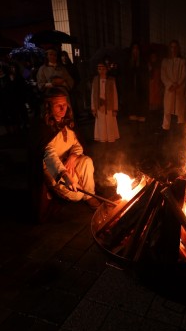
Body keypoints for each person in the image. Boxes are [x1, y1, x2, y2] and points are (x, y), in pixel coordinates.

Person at [30, 87, 101, 222]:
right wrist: (65, 176)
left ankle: (90, 196)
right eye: (58, 106)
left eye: (65, 104)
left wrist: (72, 158)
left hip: (67, 162)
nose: (63, 109)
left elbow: (77, 145)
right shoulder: (43, 128)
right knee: (77, 196)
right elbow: (49, 156)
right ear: (48, 106)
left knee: (86, 161)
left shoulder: (67, 123)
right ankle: (62, 192)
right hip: (52, 169)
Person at [160, 39, 186, 134]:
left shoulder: (182, 61)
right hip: (170, 90)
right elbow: (163, 75)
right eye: (172, 47)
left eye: (175, 47)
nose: (173, 49)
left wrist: (177, 84)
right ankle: (166, 132)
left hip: (179, 90)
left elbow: (184, 74)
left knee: (179, 111)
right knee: (167, 110)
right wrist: (170, 84)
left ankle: (179, 133)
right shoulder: (165, 61)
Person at [91, 62, 120, 143]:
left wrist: (115, 108)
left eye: (103, 69)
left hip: (109, 105)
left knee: (110, 123)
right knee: (101, 124)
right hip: (99, 105)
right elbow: (93, 94)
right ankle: (103, 140)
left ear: (106, 69)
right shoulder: (95, 80)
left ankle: (110, 139)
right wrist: (93, 108)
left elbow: (114, 94)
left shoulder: (111, 80)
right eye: (99, 69)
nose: (101, 71)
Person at [122, 42, 149, 124]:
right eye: (134, 49)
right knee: (132, 117)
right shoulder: (128, 63)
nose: (135, 51)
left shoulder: (143, 63)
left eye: (137, 49)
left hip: (141, 93)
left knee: (141, 116)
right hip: (131, 93)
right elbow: (126, 78)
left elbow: (145, 78)